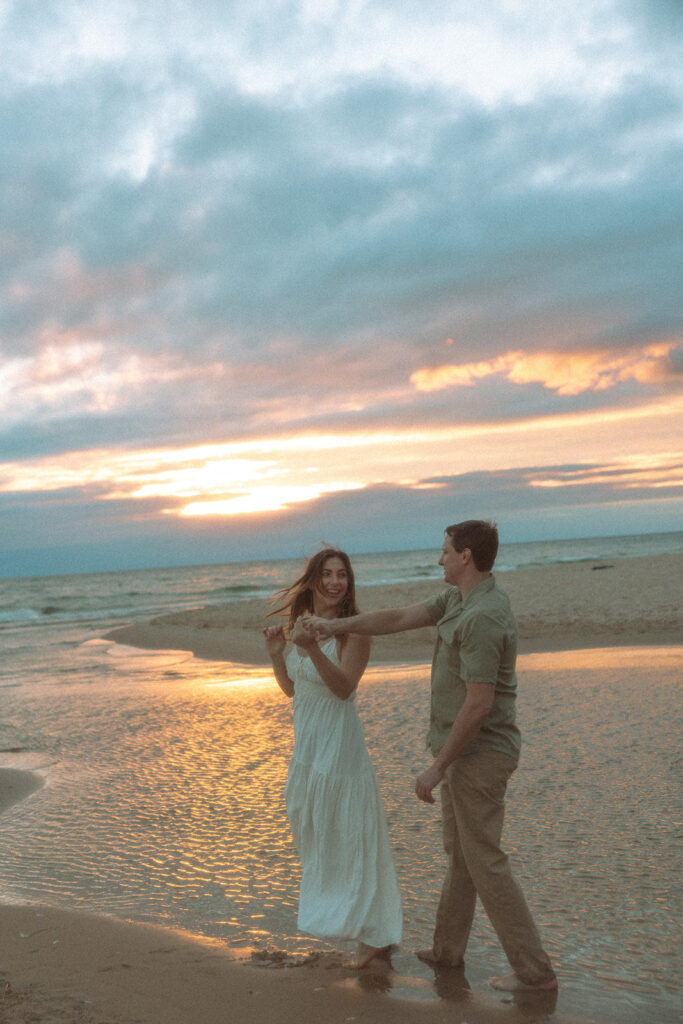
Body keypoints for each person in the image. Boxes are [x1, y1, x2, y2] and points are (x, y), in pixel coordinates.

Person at [304, 521, 557, 992]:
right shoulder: (457, 600)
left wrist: (438, 766)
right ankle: (447, 952)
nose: (439, 559)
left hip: (479, 754)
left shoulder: (483, 616)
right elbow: (399, 618)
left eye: (444, 552)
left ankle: (535, 972)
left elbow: (480, 703)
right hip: (460, 751)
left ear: (465, 556)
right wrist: (335, 624)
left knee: (485, 859)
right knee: (461, 855)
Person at [263, 547, 402, 968]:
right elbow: (295, 690)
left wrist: (315, 649)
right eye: (327, 573)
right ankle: (359, 923)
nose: (335, 581)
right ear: (313, 580)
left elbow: (343, 688)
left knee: (351, 836)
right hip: (308, 750)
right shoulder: (300, 627)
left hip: (339, 751)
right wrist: (276, 655)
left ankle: (375, 935)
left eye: (342, 574)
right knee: (313, 831)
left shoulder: (354, 631)